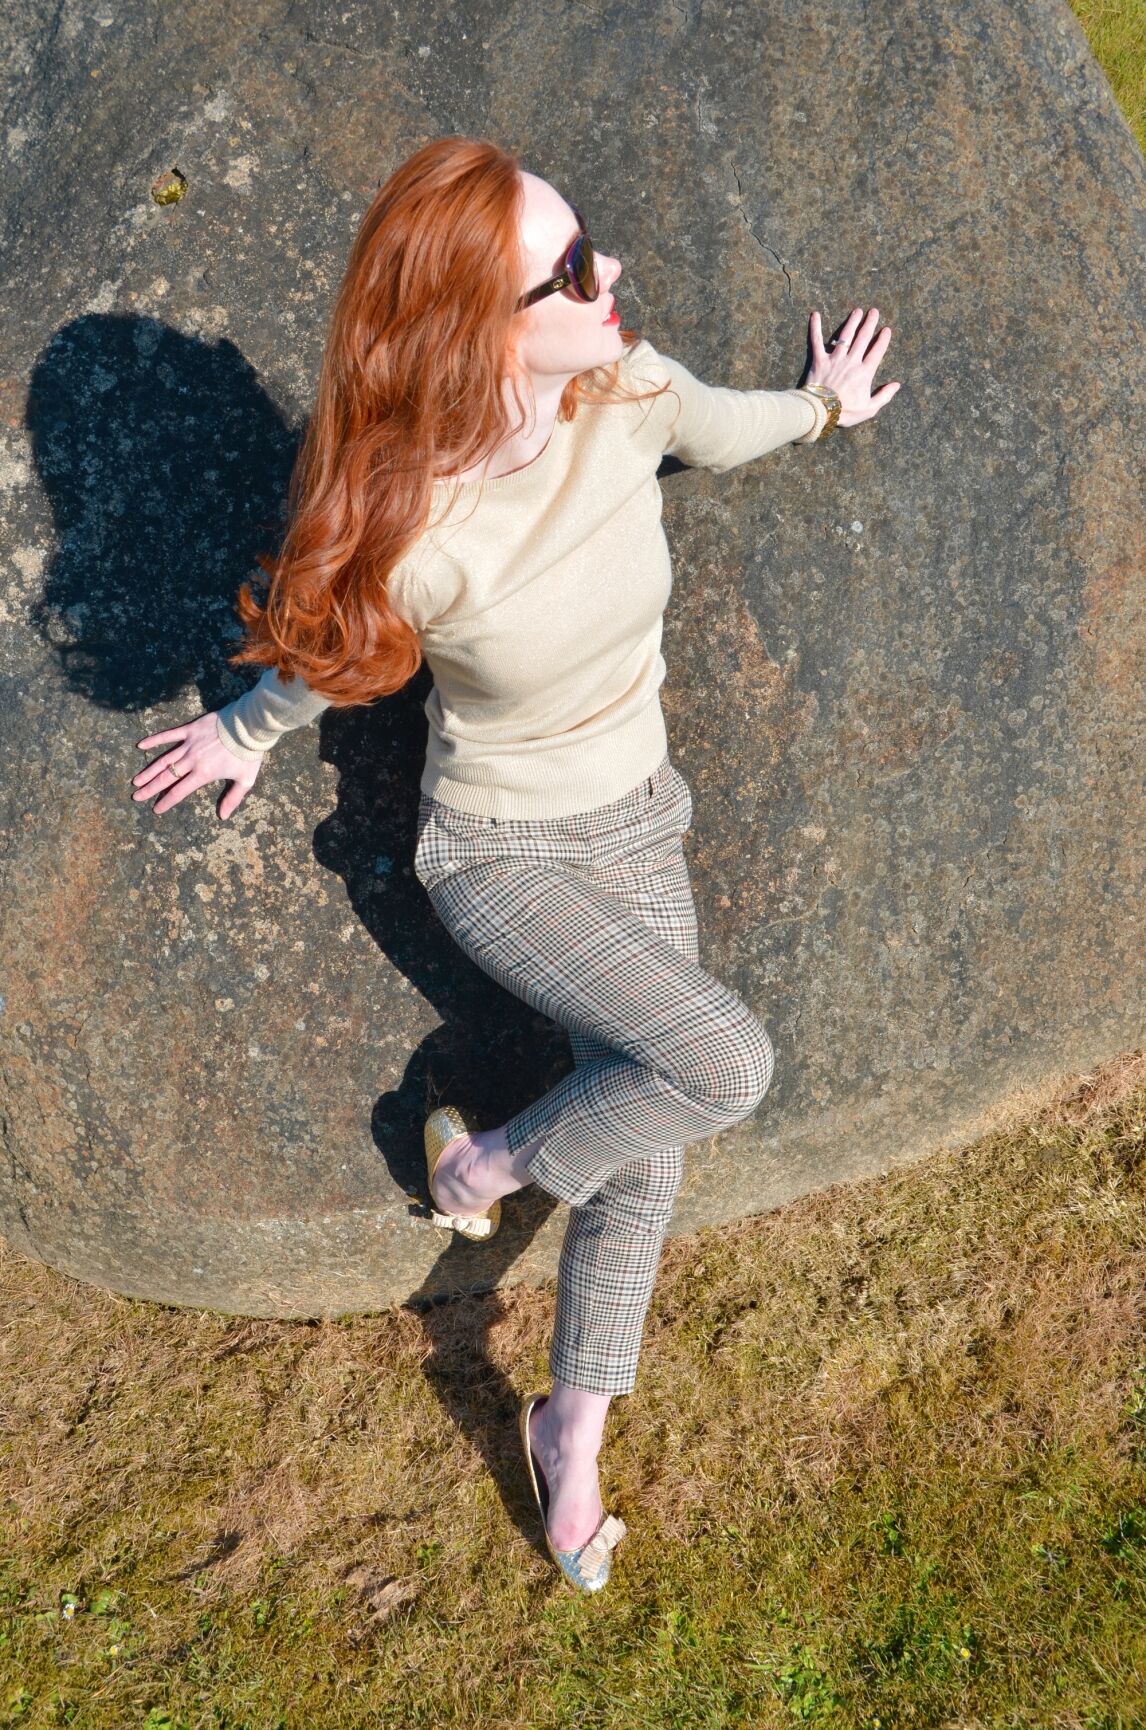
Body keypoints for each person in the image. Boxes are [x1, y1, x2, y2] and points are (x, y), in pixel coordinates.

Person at [130, 136, 900, 1592]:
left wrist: (818, 409)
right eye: (567, 271)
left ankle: (569, 1418)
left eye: (585, 241)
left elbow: (718, 426)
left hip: (640, 813)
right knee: (721, 1064)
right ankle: (479, 1165)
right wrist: (242, 725)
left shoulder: (623, 386)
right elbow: (331, 659)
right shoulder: (414, 520)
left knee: (653, 1131)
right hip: (501, 851)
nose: (607, 275)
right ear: (479, 330)